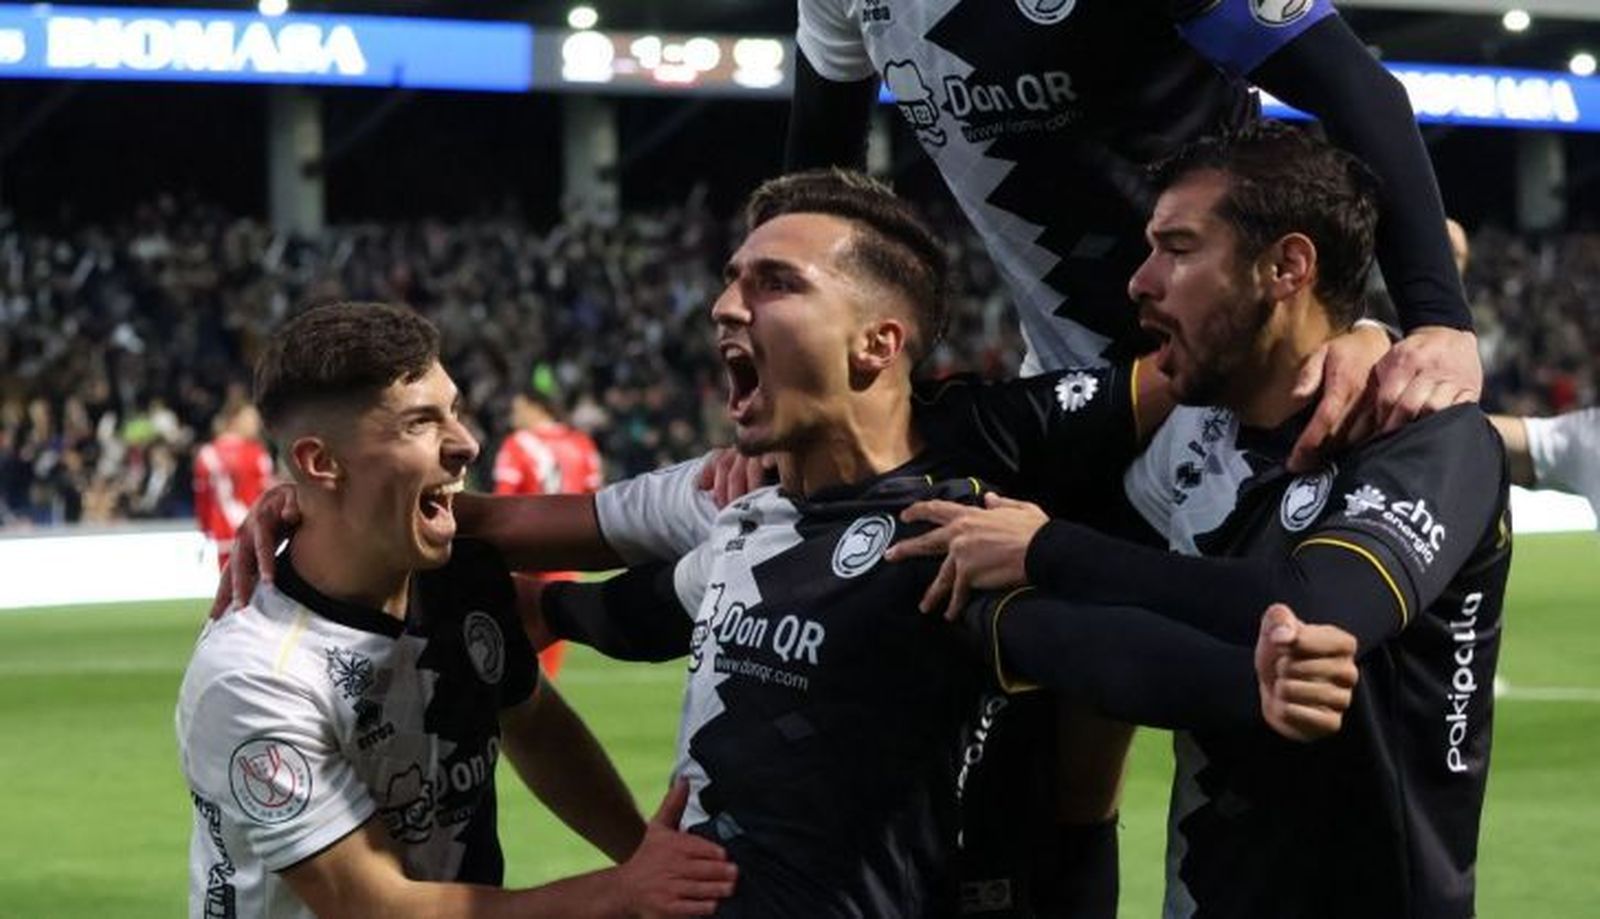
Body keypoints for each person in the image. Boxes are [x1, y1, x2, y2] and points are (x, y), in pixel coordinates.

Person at [219, 173, 1361, 918]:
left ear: (878, 341)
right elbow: (629, 606)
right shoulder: (743, 513)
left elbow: (1082, 646)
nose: (725, 304)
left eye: (770, 284)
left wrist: (1239, 675)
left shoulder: (942, 519)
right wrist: (314, 511)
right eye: (727, 278)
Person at [891, 122, 1512, 918]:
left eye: (1178, 248)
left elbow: (1315, 604)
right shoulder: (1184, 440)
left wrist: (1047, 550)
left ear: (1287, 267)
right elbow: (1098, 641)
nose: (1140, 281)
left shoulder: (1432, 440)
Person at [177, 302, 737, 919]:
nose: (467, 443)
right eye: (420, 423)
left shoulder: (458, 574)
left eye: (456, 410)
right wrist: (623, 893)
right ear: (320, 462)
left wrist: (642, 856)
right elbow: (376, 907)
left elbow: (536, 726)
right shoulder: (255, 676)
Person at [787, 0, 1481, 466]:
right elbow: (817, 195)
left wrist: (1440, 323)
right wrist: (787, 395)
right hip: (1072, 391)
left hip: (1247, 389)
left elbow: (1358, 90)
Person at [493, 384, 605, 678]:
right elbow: (595, 497)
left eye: (518, 409)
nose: (513, 415)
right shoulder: (581, 443)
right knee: (551, 635)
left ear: (536, 408)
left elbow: (502, 499)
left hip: (526, 553)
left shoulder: (518, 444)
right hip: (568, 551)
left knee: (511, 647)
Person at [193, 398, 274, 571]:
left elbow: (202, 501)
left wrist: (205, 532)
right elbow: (266, 493)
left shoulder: (207, 454)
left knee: (230, 591)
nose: (256, 425)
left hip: (223, 532)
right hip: (255, 531)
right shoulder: (257, 453)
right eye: (251, 419)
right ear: (235, 420)